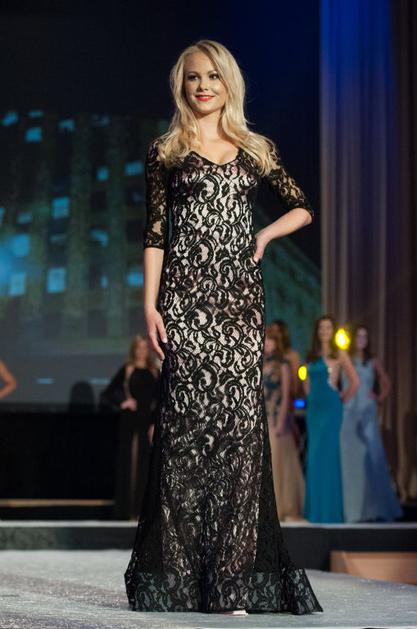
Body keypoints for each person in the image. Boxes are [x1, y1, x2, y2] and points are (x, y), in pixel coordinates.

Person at [125, 40, 322, 615]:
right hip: (185, 303)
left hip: (238, 308)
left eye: (212, 76)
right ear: (181, 86)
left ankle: (231, 583)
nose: (203, 85)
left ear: (228, 82)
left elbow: (302, 206)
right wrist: (150, 305)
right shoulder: (166, 151)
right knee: (185, 437)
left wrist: (264, 235)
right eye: (193, 77)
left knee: (237, 437)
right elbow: (155, 234)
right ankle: (182, 581)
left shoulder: (253, 148)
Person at [340, 324, 403, 522]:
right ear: (353, 339)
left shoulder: (373, 360)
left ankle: (375, 507)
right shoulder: (346, 358)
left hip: (367, 411)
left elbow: (387, 384)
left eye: (364, 337)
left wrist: (378, 397)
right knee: (352, 459)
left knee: (372, 457)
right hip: (348, 411)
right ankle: (353, 508)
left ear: (368, 341)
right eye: (358, 336)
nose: (361, 340)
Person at [303, 316, 359, 523]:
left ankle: (329, 511)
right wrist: (310, 396)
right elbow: (306, 381)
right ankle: (316, 511)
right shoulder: (312, 354)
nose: (324, 331)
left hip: (331, 409)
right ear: (317, 331)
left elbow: (355, 382)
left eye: (328, 328)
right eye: (321, 328)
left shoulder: (339, 354)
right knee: (314, 456)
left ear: (333, 331)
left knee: (327, 457)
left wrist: (341, 398)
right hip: (314, 410)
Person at [100, 335, 160, 519]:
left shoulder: (154, 371)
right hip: (130, 420)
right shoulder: (128, 369)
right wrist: (123, 402)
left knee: (145, 464)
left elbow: (160, 401)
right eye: (138, 347)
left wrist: (154, 423)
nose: (141, 351)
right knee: (129, 462)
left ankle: (141, 511)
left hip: (147, 421)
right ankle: (126, 511)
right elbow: (108, 393)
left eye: (144, 347)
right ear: (134, 350)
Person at [263, 324, 305, 521]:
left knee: (278, 463)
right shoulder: (260, 363)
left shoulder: (283, 365)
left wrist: (280, 422)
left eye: (270, 340)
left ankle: (280, 507)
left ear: (276, 342)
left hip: (275, 418)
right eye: (265, 340)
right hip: (262, 417)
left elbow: (287, 395)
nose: (266, 343)